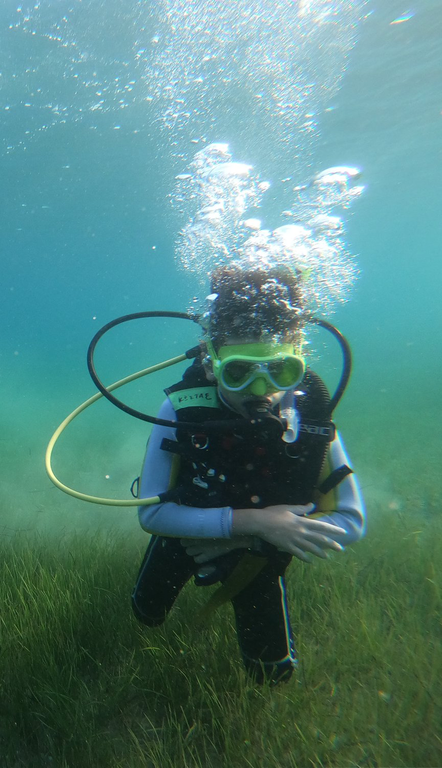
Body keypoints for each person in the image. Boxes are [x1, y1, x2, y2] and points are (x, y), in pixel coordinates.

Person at [129, 265, 365, 684]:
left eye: (280, 371)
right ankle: (150, 612)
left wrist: (254, 535)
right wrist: (258, 523)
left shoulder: (311, 415)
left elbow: (352, 521)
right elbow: (152, 514)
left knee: (271, 675)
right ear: (211, 362)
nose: (261, 390)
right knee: (146, 612)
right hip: (189, 533)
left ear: (299, 360)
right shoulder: (182, 409)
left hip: (260, 549)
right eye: (238, 372)